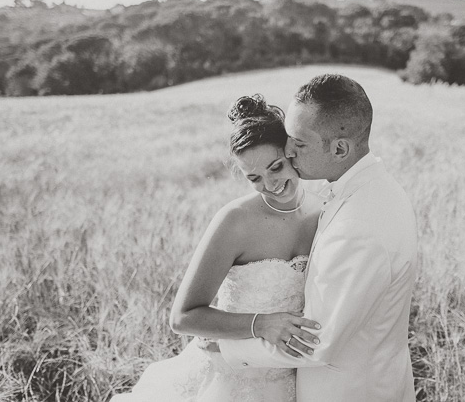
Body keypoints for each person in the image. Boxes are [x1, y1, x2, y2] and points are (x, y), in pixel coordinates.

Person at [218, 74, 419, 402]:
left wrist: (229, 348)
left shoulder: (357, 229)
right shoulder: (381, 189)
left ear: (340, 148)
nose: (288, 150)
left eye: (299, 143)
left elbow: (317, 344)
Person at [111, 94, 322, 402]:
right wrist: (260, 324)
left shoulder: (322, 213)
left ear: (292, 151)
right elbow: (182, 317)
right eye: (255, 178)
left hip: (291, 379)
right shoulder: (235, 221)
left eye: (275, 167)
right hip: (227, 379)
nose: (270, 183)